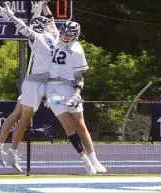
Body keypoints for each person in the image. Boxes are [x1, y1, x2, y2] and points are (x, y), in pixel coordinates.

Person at [0, 1, 58, 173]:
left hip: (44, 82)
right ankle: (11, 151)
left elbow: (49, 18)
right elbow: (25, 28)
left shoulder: (54, 34)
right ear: (43, 27)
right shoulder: (39, 37)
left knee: (17, 114)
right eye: (46, 23)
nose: (50, 23)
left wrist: (43, 5)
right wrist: (11, 16)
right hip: (34, 83)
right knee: (24, 118)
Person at [46, 21, 107, 174]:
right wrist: (44, 5)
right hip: (52, 87)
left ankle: (94, 158)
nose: (65, 37)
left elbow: (79, 76)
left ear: (75, 35)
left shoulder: (78, 50)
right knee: (68, 125)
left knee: (80, 124)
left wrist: (76, 95)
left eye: (68, 35)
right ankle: (84, 159)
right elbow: (50, 21)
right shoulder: (54, 38)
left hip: (68, 87)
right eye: (63, 33)